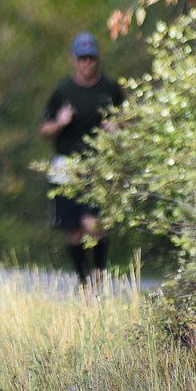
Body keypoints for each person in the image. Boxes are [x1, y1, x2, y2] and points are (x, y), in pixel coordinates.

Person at [39, 31, 123, 286]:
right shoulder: (63, 91)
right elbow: (43, 129)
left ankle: (99, 274)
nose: (86, 64)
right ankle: (83, 281)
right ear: (73, 60)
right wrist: (60, 123)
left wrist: (117, 129)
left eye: (91, 58)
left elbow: (127, 122)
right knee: (73, 230)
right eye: (81, 59)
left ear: (97, 59)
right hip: (67, 165)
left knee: (94, 224)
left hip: (98, 165)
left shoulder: (110, 89)